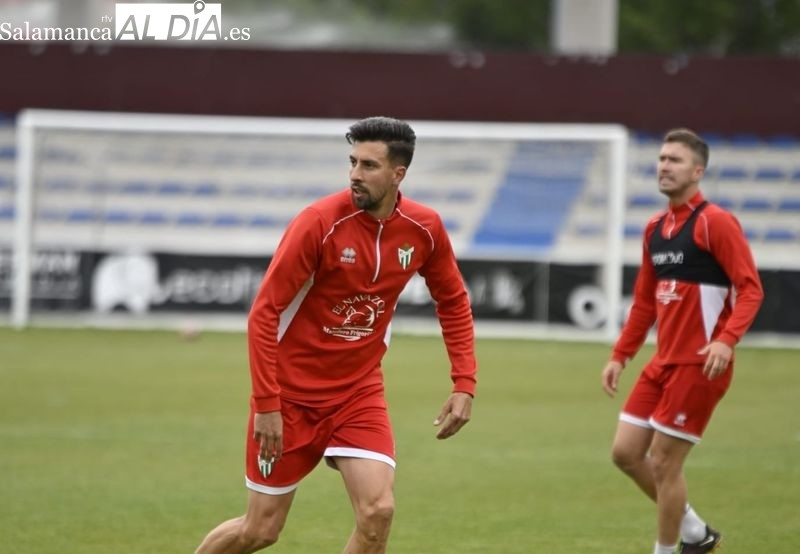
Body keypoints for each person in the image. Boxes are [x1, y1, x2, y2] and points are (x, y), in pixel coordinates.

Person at [195, 116, 477, 554]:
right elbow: (263, 314)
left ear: (398, 174)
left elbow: (454, 301)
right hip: (288, 398)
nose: (354, 175)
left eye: (368, 165)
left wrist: (464, 382)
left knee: (377, 511)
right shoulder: (318, 222)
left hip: (357, 393)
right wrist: (267, 405)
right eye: (352, 162)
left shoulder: (424, 228)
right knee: (260, 530)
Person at [601, 128, 763, 554]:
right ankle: (694, 530)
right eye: (661, 159)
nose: (663, 166)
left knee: (664, 461)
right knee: (624, 453)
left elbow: (751, 289)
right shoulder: (655, 228)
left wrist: (727, 341)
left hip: (700, 366)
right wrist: (621, 355)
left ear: (698, 170)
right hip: (662, 363)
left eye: (674, 160)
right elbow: (643, 303)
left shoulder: (716, 223)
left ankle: (669, 549)